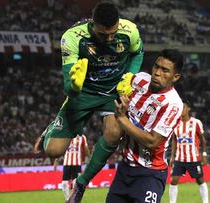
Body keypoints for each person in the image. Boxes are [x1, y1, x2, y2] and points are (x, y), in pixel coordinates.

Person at [34, 2, 143, 202]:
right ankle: (51, 127)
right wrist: (74, 86)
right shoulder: (72, 37)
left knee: (114, 134)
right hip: (84, 93)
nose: (109, 39)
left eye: (113, 33)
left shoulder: (130, 31)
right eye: (104, 35)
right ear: (93, 25)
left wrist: (131, 76)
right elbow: (68, 85)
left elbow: (137, 53)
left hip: (113, 90)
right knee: (53, 151)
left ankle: (81, 184)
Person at [106, 49, 184, 203]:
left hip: (150, 173)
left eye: (165, 70)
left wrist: (122, 118)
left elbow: (152, 141)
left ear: (175, 77)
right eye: (156, 67)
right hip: (124, 169)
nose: (157, 73)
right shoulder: (140, 80)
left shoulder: (173, 104)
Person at [169, 100, 209, 203]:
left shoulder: (196, 122)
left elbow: (202, 139)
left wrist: (204, 154)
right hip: (179, 158)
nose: (182, 110)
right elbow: (174, 140)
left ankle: (206, 202)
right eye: (180, 108)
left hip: (193, 158)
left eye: (184, 107)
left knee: (200, 180)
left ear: (188, 109)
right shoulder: (175, 123)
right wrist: (172, 157)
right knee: (173, 181)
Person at [53, 134, 90, 202]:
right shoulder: (65, 135)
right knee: (64, 183)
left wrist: (90, 159)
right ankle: (67, 200)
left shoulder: (82, 137)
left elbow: (85, 148)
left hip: (77, 163)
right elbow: (60, 149)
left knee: (76, 183)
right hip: (67, 163)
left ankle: (74, 199)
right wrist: (56, 161)